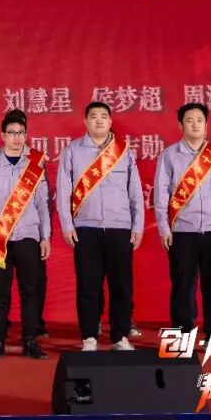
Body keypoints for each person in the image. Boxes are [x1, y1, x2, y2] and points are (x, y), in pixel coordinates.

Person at [56, 102, 144, 352]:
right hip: (86, 227)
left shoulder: (123, 151)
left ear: (110, 121)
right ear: (85, 121)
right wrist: (67, 224)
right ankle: (89, 337)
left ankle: (119, 337)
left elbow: (135, 192)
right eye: (93, 116)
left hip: (120, 227)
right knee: (88, 284)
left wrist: (137, 226)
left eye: (103, 116)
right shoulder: (72, 151)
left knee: (121, 285)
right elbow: (63, 191)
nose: (98, 120)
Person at [154, 102, 211, 337]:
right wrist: (164, 228)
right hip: (182, 231)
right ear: (180, 125)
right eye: (189, 120)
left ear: (206, 125)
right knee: (183, 284)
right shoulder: (170, 155)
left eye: (200, 120)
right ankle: (182, 331)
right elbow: (161, 194)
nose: (195, 125)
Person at [0, 110, 50, 360]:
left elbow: (42, 204)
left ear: (26, 135)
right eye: (11, 133)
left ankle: (30, 341)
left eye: (21, 133)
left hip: (29, 236)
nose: (16, 138)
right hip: (0, 240)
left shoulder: (35, 167)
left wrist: (45, 236)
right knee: (0, 293)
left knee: (30, 292)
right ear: (3, 136)